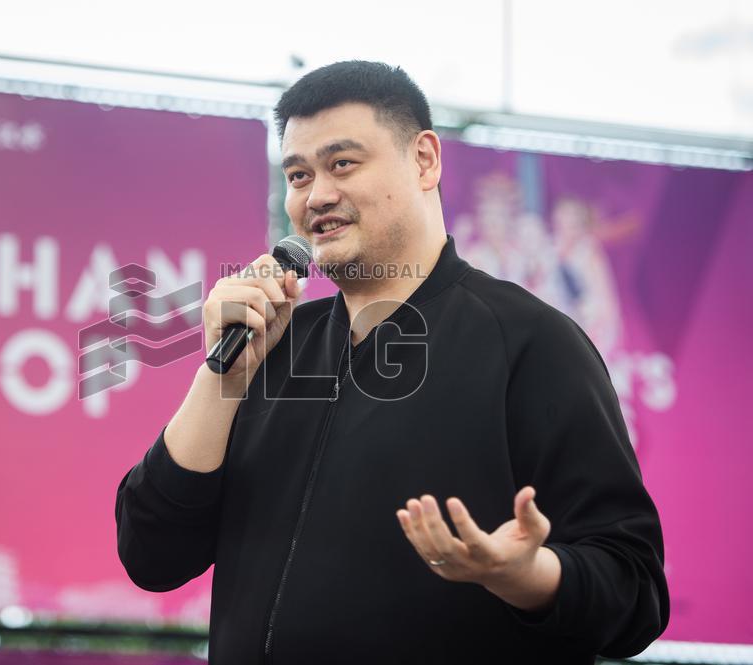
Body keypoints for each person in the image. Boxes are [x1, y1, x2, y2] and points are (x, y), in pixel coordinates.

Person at [115, 61, 669, 664]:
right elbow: (151, 554)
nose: (317, 194)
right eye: (298, 175)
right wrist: (224, 376)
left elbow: (633, 589)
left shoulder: (532, 342)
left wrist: (523, 575)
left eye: (342, 164)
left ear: (425, 160)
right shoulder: (272, 348)